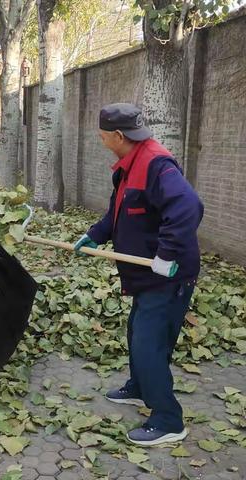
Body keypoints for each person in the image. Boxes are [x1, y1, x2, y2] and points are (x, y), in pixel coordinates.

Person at [74, 103, 204, 446]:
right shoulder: (128, 166)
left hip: (170, 274)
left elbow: (189, 207)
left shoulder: (156, 164)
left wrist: (167, 254)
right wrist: (96, 234)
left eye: (102, 136)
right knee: (137, 332)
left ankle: (168, 419)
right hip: (148, 276)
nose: (100, 140)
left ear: (119, 136)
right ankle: (139, 387)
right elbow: (119, 210)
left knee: (149, 343)